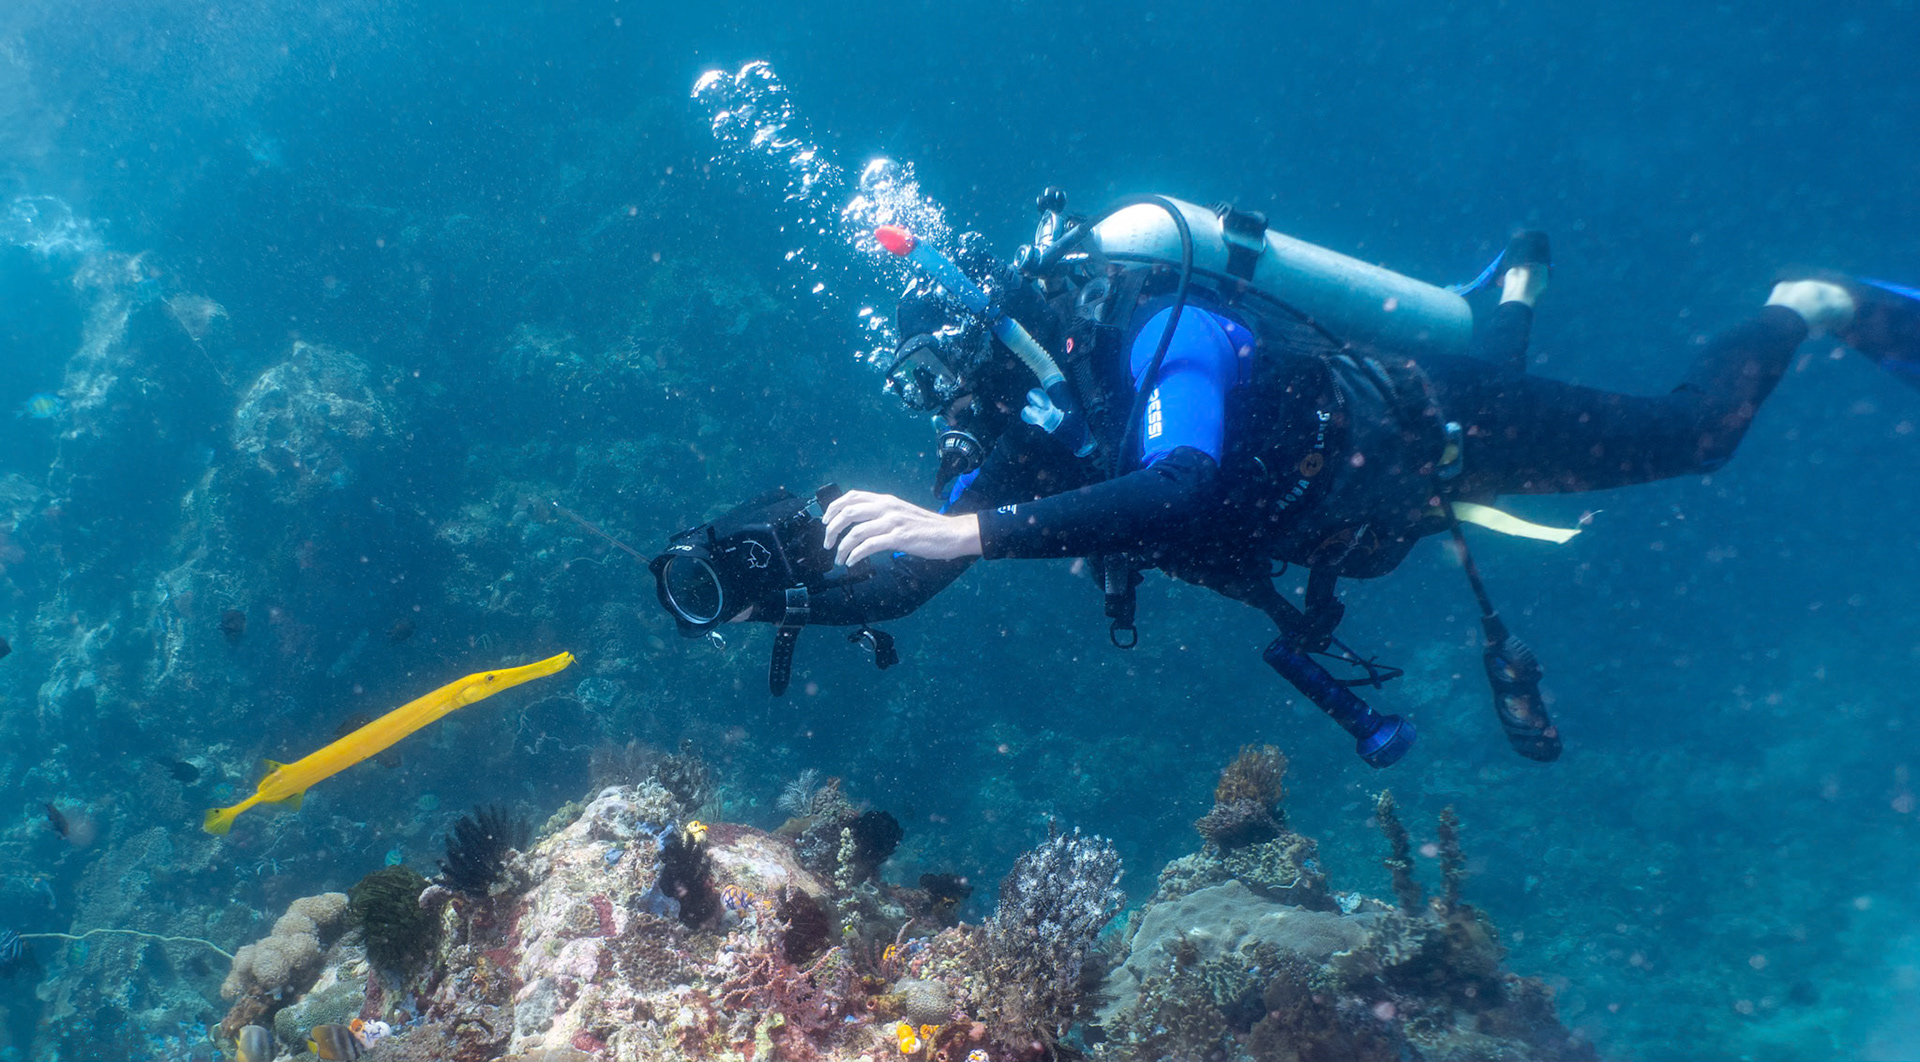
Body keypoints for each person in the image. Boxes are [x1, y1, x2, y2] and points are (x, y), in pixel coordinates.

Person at [740, 196, 1920, 765]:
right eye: (957, 413)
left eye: (978, 398)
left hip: (1429, 431)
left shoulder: (1160, 331)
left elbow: (1184, 481)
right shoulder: (1037, 425)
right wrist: (773, 583)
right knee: (1490, 344)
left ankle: (1800, 302)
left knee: (1691, 435)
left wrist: (969, 533)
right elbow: (917, 572)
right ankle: (1506, 289)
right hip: (1369, 505)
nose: (974, 432)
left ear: (1019, 346)